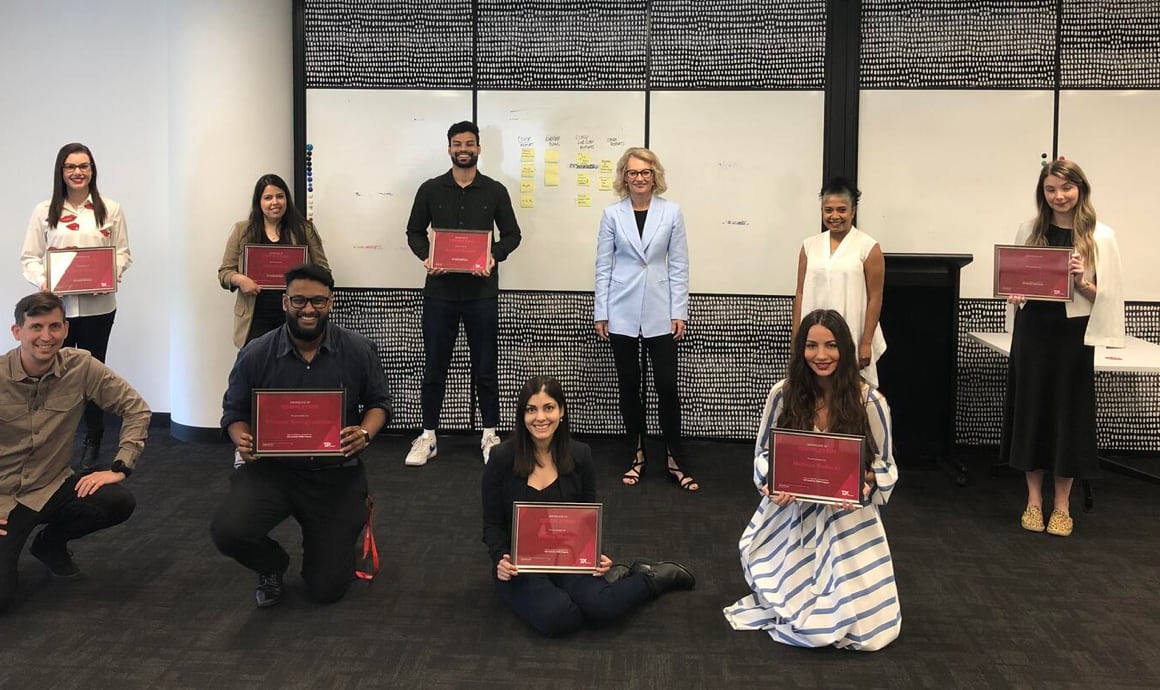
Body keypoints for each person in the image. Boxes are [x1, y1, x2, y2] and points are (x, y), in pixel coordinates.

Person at [210, 264, 392, 607]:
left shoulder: (357, 350)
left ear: (331, 303)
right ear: (284, 303)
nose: (308, 309)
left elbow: (379, 403)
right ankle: (272, 565)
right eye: (299, 301)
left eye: (318, 301)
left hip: (334, 476)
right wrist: (242, 438)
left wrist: (366, 433)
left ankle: (339, 538)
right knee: (229, 530)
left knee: (326, 590)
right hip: (272, 471)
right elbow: (234, 413)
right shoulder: (256, 352)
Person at [724, 309, 900, 651]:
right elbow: (763, 453)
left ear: (845, 350)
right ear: (800, 350)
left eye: (831, 346)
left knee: (869, 631)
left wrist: (863, 483)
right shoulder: (783, 393)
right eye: (812, 346)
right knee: (792, 604)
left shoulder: (871, 401)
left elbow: (887, 465)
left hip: (848, 515)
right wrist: (772, 483)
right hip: (792, 512)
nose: (821, 356)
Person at [482, 375, 695, 636]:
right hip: (519, 565)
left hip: (566, 559)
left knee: (604, 607)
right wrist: (500, 559)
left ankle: (652, 578)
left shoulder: (580, 455)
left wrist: (593, 555)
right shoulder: (502, 457)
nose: (540, 418)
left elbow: (585, 519)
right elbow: (492, 525)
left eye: (548, 408)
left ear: (561, 412)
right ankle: (604, 587)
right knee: (558, 617)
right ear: (522, 415)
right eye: (531, 409)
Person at [0, 292, 150, 613]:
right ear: (17, 332)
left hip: (52, 486)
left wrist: (121, 466)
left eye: (55, 326)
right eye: (36, 327)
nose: (46, 336)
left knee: (117, 500)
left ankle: (49, 545)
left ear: (66, 329)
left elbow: (136, 409)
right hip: (5, 498)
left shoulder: (80, 366)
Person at [1001, 159, 1124, 537]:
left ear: (1080, 189)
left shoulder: (1101, 236)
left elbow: (1110, 296)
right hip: (1034, 331)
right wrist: (1015, 292)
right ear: (1043, 192)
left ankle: (1062, 506)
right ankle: (1034, 501)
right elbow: (1013, 284)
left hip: (1073, 336)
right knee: (1032, 409)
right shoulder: (1030, 229)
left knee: (1067, 415)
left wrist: (1082, 281)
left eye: (1066, 188)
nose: (1059, 196)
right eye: (1051, 189)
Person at [404, 121, 522, 466]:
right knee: (434, 366)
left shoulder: (496, 191)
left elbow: (513, 235)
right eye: (457, 144)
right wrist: (427, 256)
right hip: (439, 292)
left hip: (481, 293)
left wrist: (493, 255)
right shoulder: (430, 189)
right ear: (449, 148)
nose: (463, 149)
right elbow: (413, 231)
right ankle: (428, 436)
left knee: (485, 366)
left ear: (479, 148)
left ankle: (489, 433)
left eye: (469, 143)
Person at [21, 143, 133, 472]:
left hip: (100, 308)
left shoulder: (110, 209)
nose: (78, 172)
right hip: (58, 312)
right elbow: (29, 258)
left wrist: (114, 271)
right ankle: (56, 441)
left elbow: (123, 252)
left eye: (84, 166)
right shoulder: (44, 211)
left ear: (92, 170)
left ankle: (93, 437)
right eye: (71, 167)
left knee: (92, 373)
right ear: (61, 172)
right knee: (55, 376)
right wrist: (44, 280)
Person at [593, 147, 696, 491]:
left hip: (660, 308)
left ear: (655, 176)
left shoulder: (672, 212)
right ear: (624, 176)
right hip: (620, 308)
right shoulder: (612, 214)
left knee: (666, 385)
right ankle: (636, 456)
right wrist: (601, 311)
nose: (639, 178)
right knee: (629, 387)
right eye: (633, 172)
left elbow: (679, 264)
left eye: (645, 172)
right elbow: (603, 265)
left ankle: (674, 458)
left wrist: (678, 310)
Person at [792, 177, 885, 387]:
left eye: (841, 210)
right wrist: (797, 338)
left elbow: (875, 298)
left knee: (850, 396)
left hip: (853, 331)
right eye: (828, 210)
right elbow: (800, 293)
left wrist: (866, 342)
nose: (834, 216)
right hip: (814, 336)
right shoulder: (809, 246)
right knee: (812, 392)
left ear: (853, 211)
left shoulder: (868, 247)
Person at [218, 173, 330, 348]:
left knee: (293, 370)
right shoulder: (242, 230)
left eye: (280, 196)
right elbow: (225, 272)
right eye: (268, 198)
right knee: (254, 371)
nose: (275, 202)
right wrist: (241, 280)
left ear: (287, 199)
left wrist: (304, 283)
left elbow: (325, 272)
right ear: (259, 202)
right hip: (254, 317)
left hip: (294, 314)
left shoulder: (304, 230)